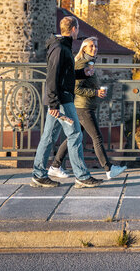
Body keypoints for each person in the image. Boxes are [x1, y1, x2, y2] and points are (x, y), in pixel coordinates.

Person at [31, 16, 103, 188]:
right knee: (76, 134)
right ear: (73, 29)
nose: (78, 32)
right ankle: (81, 176)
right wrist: (54, 104)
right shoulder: (59, 48)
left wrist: (81, 74)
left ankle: (38, 174)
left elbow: (64, 74)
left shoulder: (62, 46)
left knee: (49, 136)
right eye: (77, 28)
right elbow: (52, 77)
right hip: (62, 99)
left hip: (60, 97)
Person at [49, 37, 127, 180]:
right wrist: (96, 92)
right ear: (84, 48)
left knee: (74, 136)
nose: (94, 48)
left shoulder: (89, 63)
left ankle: (55, 166)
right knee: (97, 137)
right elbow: (76, 87)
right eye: (91, 46)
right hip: (83, 108)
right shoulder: (82, 63)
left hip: (83, 106)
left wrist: (96, 90)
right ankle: (109, 169)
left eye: (96, 46)